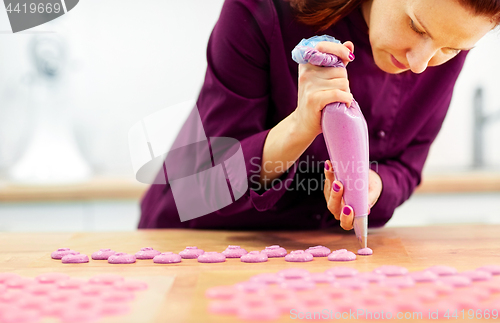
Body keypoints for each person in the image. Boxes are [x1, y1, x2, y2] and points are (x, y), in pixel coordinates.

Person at [138, 0, 499, 230]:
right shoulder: (260, 9)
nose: (421, 64)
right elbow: (208, 183)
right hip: (196, 240)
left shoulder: (444, 35)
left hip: (316, 256)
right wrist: (299, 125)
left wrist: (375, 187)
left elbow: (406, 167)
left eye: (451, 49)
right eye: (417, 27)